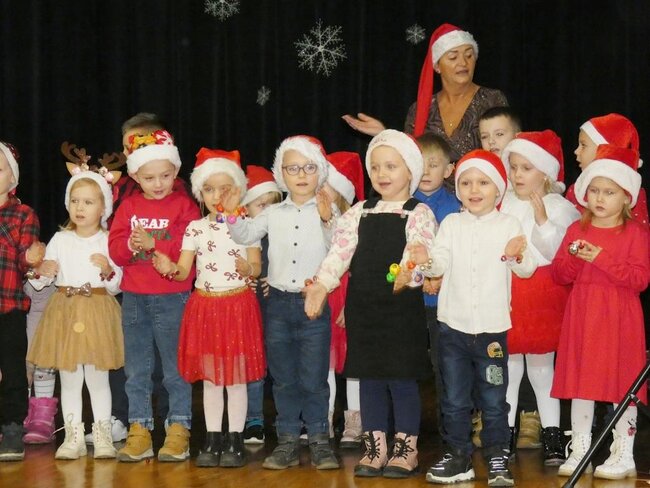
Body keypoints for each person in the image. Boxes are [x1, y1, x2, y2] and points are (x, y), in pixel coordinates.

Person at [305, 129, 436, 479]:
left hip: (400, 310)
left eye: (391, 166)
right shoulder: (358, 212)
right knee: (369, 379)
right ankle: (374, 447)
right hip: (364, 308)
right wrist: (321, 285)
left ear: (411, 170)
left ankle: (406, 449)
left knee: (402, 379)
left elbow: (420, 249)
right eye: (375, 167)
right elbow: (339, 252)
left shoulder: (419, 212)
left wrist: (410, 272)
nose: (381, 173)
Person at [222, 135, 339, 470]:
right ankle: (287, 441)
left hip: (312, 304)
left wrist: (328, 219)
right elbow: (245, 235)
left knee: (314, 378)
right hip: (278, 306)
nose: (301, 175)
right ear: (281, 174)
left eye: (309, 167)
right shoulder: (273, 212)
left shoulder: (326, 211)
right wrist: (232, 213)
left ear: (320, 172)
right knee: (284, 377)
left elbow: (340, 247)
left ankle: (319, 440)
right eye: (292, 168)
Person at [422, 149, 537, 486]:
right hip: (452, 330)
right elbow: (438, 262)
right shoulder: (451, 224)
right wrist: (424, 260)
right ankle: (458, 456)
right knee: (454, 398)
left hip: (491, 333)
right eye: (466, 183)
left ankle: (497, 456)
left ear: (498, 188)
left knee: (494, 399)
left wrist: (516, 256)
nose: (474, 190)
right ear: (458, 188)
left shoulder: (508, 224)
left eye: (483, 183)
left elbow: (527, 268)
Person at [152, 149, 266, 468]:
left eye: (225, 189)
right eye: (210, 189)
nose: (218, 196)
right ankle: (213, 438)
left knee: (236, 378)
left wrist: (249, 268)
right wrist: (169, 267)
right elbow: (183, 271)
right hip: (206, 307)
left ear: (238, 191)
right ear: (200, 193)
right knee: (212, 379)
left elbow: (256, 266)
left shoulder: (248, 226)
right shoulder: (195, 229)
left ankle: (235, 439)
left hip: (237, 306)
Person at [552, 144, 648, 480]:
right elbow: (559, 274)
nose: (600, 198)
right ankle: (581, 449)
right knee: (583, 382)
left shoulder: (636, 233)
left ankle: (624, 452)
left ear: (627, 198)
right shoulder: (576, 230)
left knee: (623, 383)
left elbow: (640, 279)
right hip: (584, 314)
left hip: (620, 316)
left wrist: (601, 259)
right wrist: (575, 259)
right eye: (594, 190)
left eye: (609, 192)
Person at [108, 129, 201, 462]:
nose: (158, 183)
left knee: (176, 368)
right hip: (134, 298)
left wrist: (153, 243)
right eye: (149, 177)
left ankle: (179, 427)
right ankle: (140, 429)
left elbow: (188, 248)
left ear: (176, 171)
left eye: (165, 175)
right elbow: (115, 250)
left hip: (173, 297)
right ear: (135, 176)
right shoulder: (129, 206)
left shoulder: (185, 206)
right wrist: (131, 246)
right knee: (137, 369)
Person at [27, 152, 124, 460]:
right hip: (65, 311)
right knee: (69, 378)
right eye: (75, 201)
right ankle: (73, 437)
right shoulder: (60, 239)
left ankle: (103, 435)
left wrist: (107, 270)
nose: (80, 208)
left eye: (88, 202)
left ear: (103, 207)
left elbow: (117, 285)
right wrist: (41, 271)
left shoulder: (108, 240)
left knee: (97, 377)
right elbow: (42, 280)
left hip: (97, 311)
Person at [499, 131, 580, 465]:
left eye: (526, 168)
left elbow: (560, 252)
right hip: (507, 293)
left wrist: (543, 221)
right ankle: (503, 434)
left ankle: (552, 434)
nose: (517, 174)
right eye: (514, 167)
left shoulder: (560, 207)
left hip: (542, 295)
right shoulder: (503, 202)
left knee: (542, 369)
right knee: (508, 367)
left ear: (545, 173)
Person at [477, 106, 544, 452]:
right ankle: (492, 417)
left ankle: (530, 414)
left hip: (530, 282)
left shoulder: (528, 183)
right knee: (496, 354)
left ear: (517, 137)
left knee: (531, 350)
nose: (492, 142)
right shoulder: (483, 182)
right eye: (484, 136)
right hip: (494, 284)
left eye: (499, 134)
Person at [342, 23, 507, 161]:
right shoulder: (421, 108)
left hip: (477, 188)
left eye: (469, 55)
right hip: (427, 191)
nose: (463, 63)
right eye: (453, 57)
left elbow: (506, 151)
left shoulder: (492, 99)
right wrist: (383, 133)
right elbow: (409, 157)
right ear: (437, 66)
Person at [413, 133, 460, 436]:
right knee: (406, 363)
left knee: (445, 364)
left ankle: (450, 427)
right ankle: (406, 426)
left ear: (448, 170)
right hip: (408, 299)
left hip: (444, 301)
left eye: (433, 165)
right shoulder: (402, 204)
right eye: (420, 165)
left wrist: (437, 276)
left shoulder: (456, 206)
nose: (426, 172)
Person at [318, 151, 365, 448]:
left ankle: (355, 419)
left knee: (352, 360)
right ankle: (323, 418)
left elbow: (355, 261)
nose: (319, 188)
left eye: (326, 183)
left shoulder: (356, 220)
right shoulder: (308, 215)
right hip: (323, 293)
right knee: (324, 361)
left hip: (348, 292)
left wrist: (353, 303)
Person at [0, 141, 44, 461]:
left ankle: (13, 425)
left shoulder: (23, 214)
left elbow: (24, 258)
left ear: (12, 178)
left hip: (8, 307)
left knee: (13, 368)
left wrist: (31, 258)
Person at [240, 165, 282, 445]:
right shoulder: (242, 234)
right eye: (260, 205)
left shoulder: (283, 233)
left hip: (277, 306)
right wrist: (246, 280)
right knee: (252, 364)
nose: (267, 210)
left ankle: (287, 417)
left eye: (272, 204)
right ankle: (253, 418)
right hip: (247, 307)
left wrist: (274, 278)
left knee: (280, 364)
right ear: (245, 207)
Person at [568, 113, 648, 226]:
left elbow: (640, 234)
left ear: (606, 149)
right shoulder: (575, 190)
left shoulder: (630, 193)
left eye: (583, 145)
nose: (576, 151)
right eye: (593, 191)